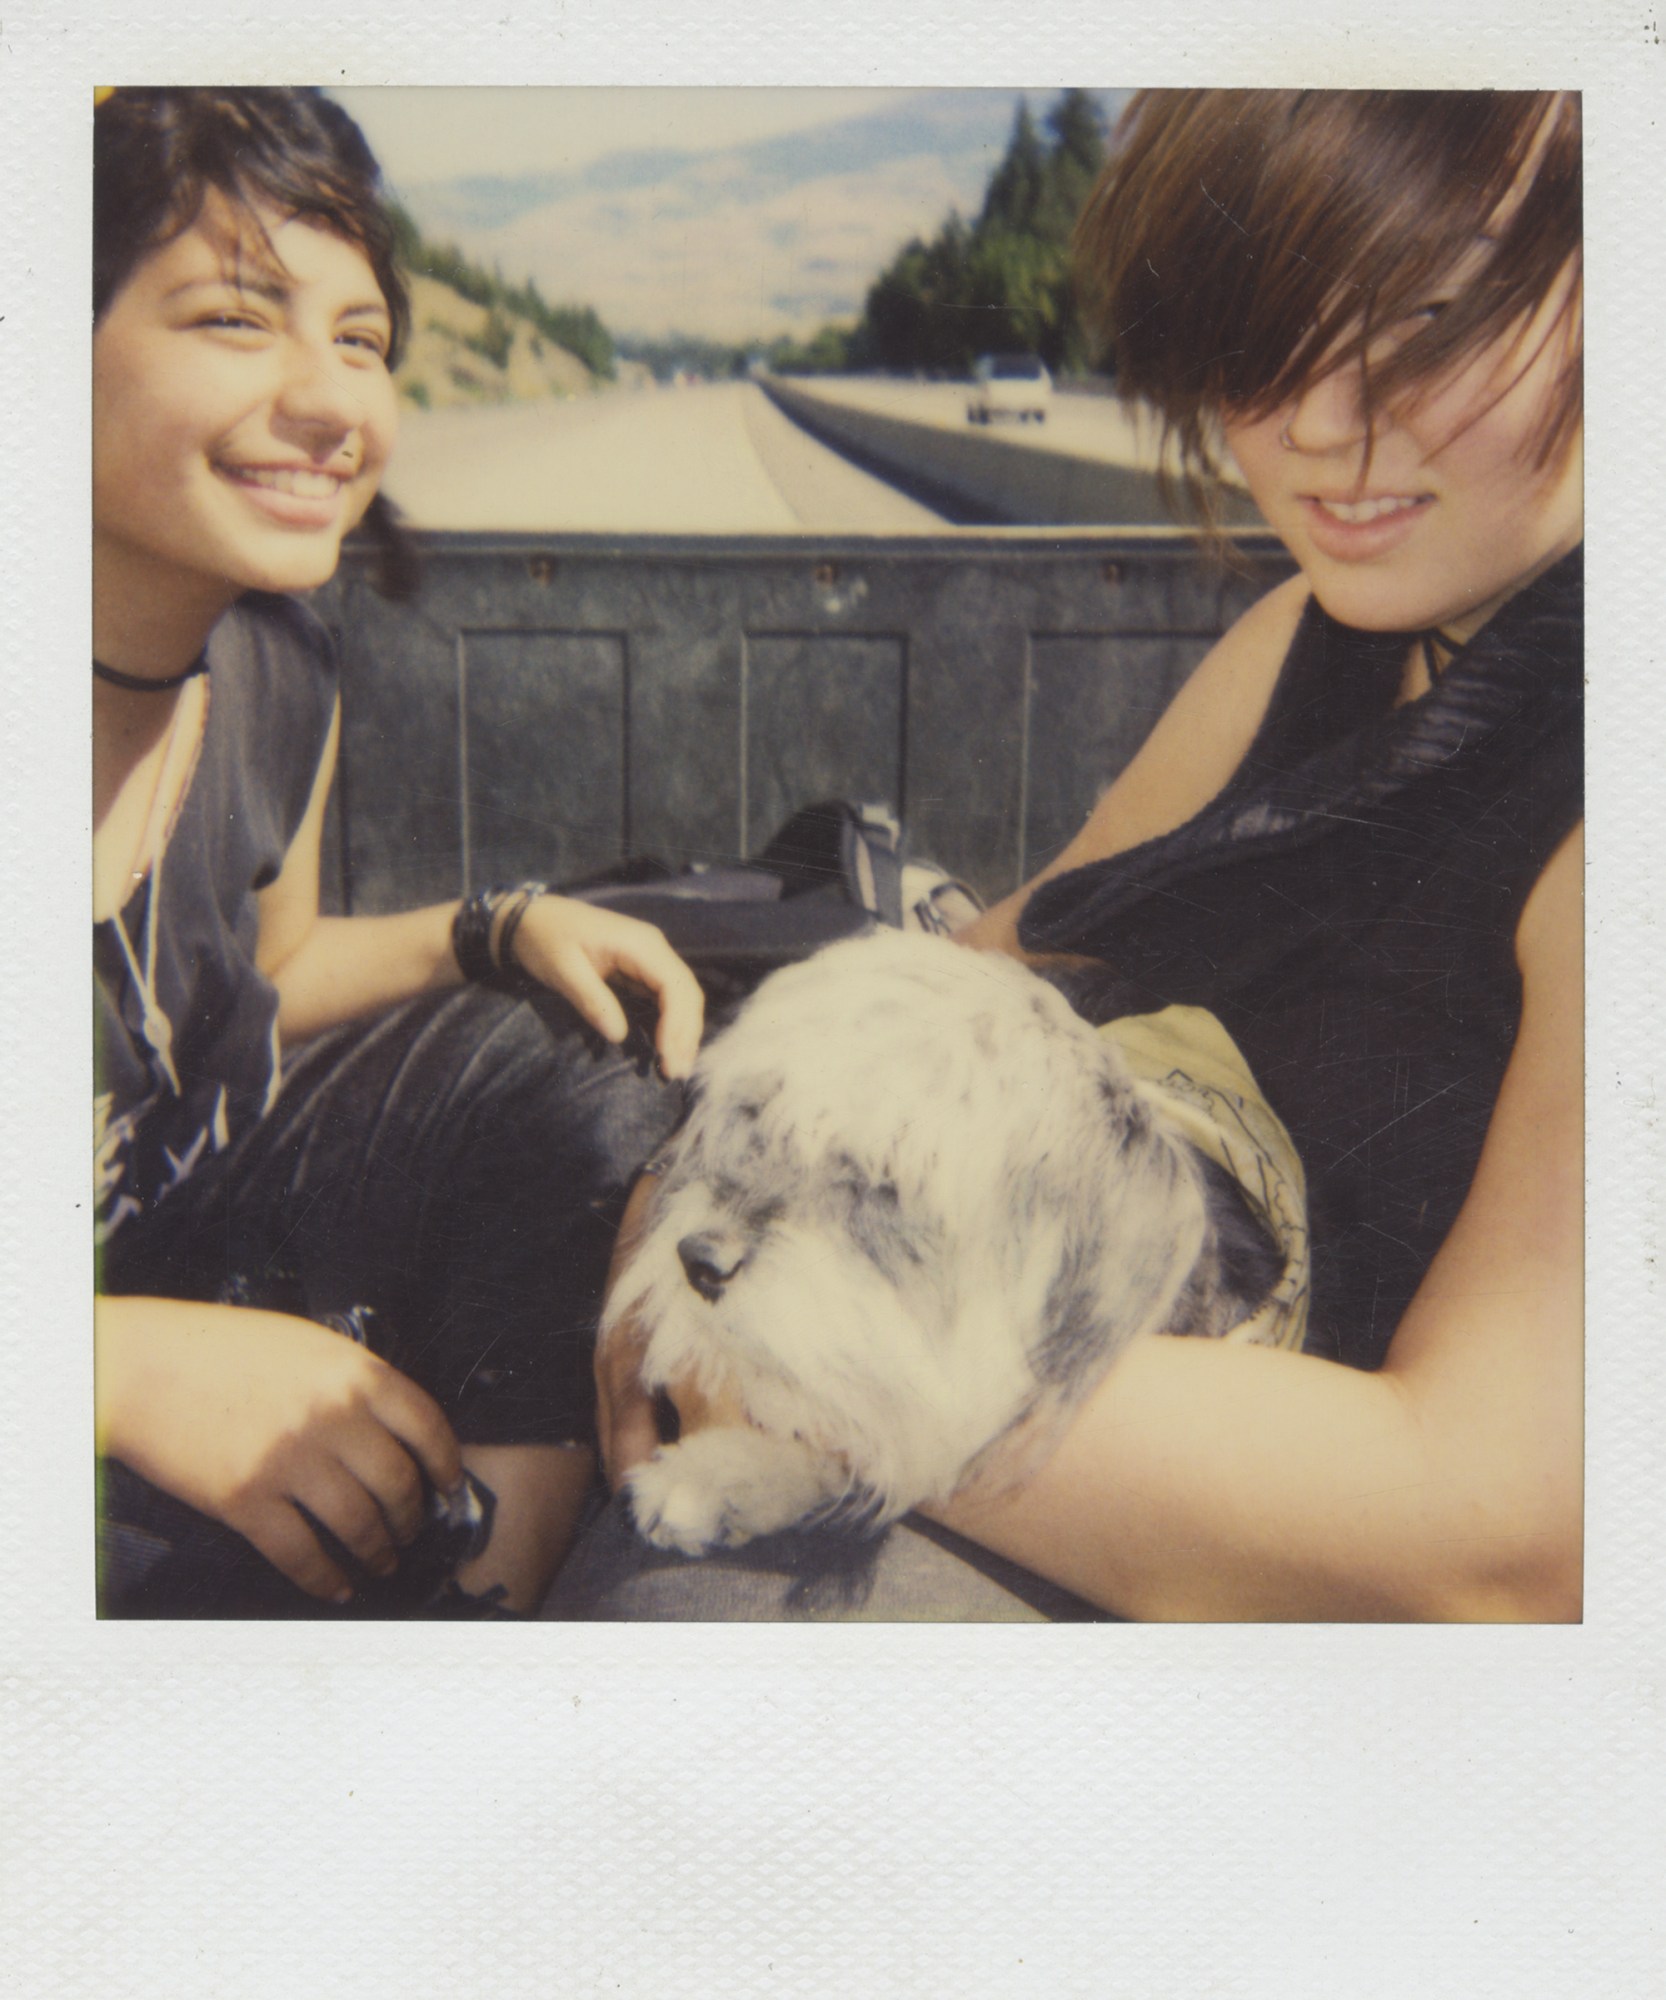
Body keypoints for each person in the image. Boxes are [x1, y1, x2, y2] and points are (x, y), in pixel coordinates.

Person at [577, 88, 1583, 1622]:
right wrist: (695, 1187)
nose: (1315, 423)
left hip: (1336, 1630)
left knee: (707, 1634)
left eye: (1428, 316)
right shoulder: (1306, 645)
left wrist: (795, 1365)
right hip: (1068, 1386)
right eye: (1260, 336)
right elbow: (998, 961)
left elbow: (1493, 1537)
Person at [91, 87, 704, 1617]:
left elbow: (268, 975)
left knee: (593, 1056)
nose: (330, 401)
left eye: (360, 340)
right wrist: (110, 1370)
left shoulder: (274, 662)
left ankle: (477, 1628)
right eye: (236, 318)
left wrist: (496, 929)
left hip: (171, 1221)